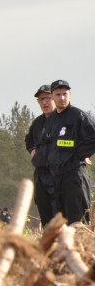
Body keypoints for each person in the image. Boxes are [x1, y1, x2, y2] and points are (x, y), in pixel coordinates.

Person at [40, 80, 95, 224]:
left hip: (74, 175)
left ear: (70, 95)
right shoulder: (51, 119)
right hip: (57, 178)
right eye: (58, 95)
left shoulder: (78, 116)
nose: (62, 98)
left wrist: (80, 154)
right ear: (53, 97)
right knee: (61, 222)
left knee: (78, 221)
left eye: (65, 94)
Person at [25, 84, 57, 227]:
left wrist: (83, 155)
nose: (45, 102)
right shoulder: (37, 123)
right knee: (45, 213)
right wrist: (33, 152)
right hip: (42, 174)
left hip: (61, 173)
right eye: (41, 99)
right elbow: (29, 140)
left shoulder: (67, 119)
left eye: (48, 98)